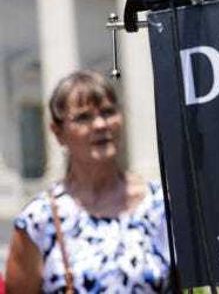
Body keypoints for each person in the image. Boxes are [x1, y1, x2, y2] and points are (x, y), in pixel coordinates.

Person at [5, 70, 171, 293]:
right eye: (84, 117)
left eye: (108, 112)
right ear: (57, 132)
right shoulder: (39, 221)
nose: (100, 124)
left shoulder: (161, 206)